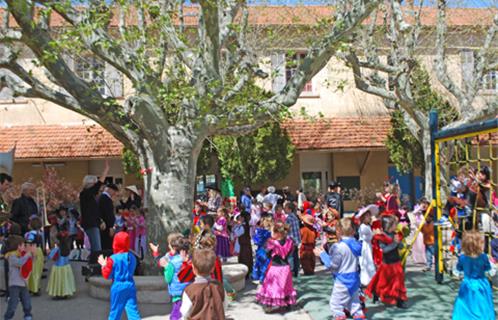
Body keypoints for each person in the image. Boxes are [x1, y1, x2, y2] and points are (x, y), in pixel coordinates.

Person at [316, 217, 365, 320]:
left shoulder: (338, 247)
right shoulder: (357, 244)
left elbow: (332, 265)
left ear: (338, 231)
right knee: (355, 303)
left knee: (336, 305)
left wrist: (322, 254)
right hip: (355, 278)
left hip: (343, 280)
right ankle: (359, 316)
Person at [366, 215, 408, 308]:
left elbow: (400, 246)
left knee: (399, 281)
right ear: (388, 226)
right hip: (387, 264)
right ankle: (376, 295)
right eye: (394, 225)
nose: (396, 226)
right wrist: (395, 243)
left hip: (396, 263)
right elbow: (385, 250)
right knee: (382, 282)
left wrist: (400, 243)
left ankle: (399, 300)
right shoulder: (381, 237)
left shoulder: (395, 234)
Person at [452, 231, 495, 320]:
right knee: (483, 304)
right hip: (482, 283)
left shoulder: (463, 257)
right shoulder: (483, 257)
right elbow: (489, 270)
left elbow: (457, 270)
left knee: (466, 303)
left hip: (468, 283)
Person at [99, 232, 141, 320]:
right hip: (130, 285)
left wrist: (103, 264)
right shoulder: (132, 257)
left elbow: (107, 275)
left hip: (118, 286)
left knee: (115, 312)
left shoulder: (112, 258)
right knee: (133, 311)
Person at [256, 221, 297, 313]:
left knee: (271, 287)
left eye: (272, 232)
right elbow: (291, 255)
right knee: (286, 287)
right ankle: (287, 304)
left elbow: (266, 255)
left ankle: (269, 305)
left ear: (278, 233)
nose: (270, 233)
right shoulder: (290, 242)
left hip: (275, 268)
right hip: (286, 268)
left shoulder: (271, 243)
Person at [180, 249, 227, 319]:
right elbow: (224, 306)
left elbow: (185, 312)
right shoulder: (219, 287)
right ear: (213, 268)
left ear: (193, 269)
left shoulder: (189, 290)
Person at [80, 160, 109, 264]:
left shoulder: (89, 196)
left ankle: (92, 266)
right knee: (97, 249)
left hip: (93, 223)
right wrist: (105, 171)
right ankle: (95, 267)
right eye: (94, 183)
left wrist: (100, 221)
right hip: (91, 224)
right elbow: (99, 184)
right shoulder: (85, 194)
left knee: (95, 248)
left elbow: (93, 211)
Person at [3, 234, 34, 320]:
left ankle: (28, 315)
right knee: (13, 303)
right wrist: (27, 255)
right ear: (18, 246)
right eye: (23, 245)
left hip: (23, 283)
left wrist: (31, 255)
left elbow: (29, 264)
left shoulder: (21, 254)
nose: (24, 246)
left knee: (26, 301)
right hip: (14, 284)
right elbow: (19, 263)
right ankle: (8, 317)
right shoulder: (11, 257)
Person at [163, 237, 190, 320]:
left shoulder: (172, 262)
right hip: (188, 292)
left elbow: (168, 278)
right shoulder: (189, 260)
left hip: (177, 294)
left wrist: (166, 268)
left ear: (174, 248)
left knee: (176, 314)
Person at [46, 231, 76, 299]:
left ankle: (59, 294)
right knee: (65, 280)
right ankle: (65, 293)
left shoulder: (57, 249)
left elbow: (51, 257)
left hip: (58, 267)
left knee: (58, 281)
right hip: (66, 267)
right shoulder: (67, 248)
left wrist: (48, 252)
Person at [357, 205, 377, 287]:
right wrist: (374, 234)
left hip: (368, 246)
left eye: (370, 216)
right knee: (365, 262)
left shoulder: (367, 226)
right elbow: (367, 238)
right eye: (367, 216)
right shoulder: (363, 227)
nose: (369, 218)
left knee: (369, 260)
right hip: (364, 246)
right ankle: (365, 280)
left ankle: (370, 278)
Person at [25, 217, 44, 296]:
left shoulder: (31, 234)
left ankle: (33, 288)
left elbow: (29, 243)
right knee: (38, 270)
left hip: (33, 251)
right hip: (39, 251)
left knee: (33, 270)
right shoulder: (39, 233)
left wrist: (28, 253)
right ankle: (35, 286)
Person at [99, 183, 119, 254]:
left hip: (105, 225)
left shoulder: (102, 198)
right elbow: (108, 214)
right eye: (114, 191)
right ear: (109, 189)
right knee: (107, 246)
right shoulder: (105, 199)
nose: (114, 193)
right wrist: (111, 226)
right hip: (107, 227)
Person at [252, 216, 273, 282]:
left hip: (260, 250)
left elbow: (256, 240)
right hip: (267, 250)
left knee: (259, 263)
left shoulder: (259, 231)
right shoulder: (269, 232)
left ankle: (257, 276)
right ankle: (263, 277)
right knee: (265, 264)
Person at [285, 203, 301, 277]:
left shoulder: (288, 218)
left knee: (290, 256)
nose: (285, 210)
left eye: (286, 208)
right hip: (296, 239)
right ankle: (296, 270)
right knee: (295, 256)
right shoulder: (295, 217)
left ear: (289, 209)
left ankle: (291, 271)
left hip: (291, 239)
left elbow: (286, 229)